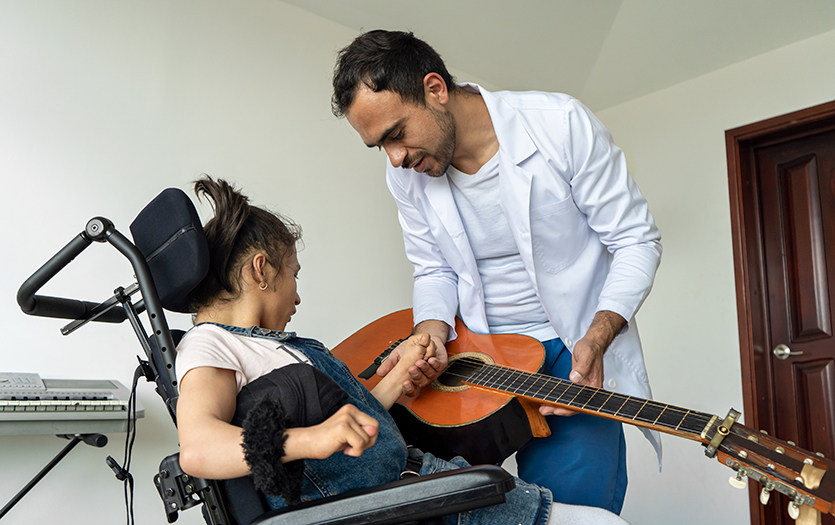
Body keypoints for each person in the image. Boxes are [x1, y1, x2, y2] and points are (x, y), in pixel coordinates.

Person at [331, 30, 663, 514]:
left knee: (570, 513)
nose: (395, 158)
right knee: (445, 507)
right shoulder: (405, 173)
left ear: (435, 90)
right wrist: (429, 333)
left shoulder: (559, 123)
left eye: (396, 134)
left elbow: (636, 240)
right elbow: (433, 268)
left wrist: (596, 338)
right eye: (379, 147)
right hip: (477, 359)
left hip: (571, 359)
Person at [174, 176, 630, 525]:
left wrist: (399, 375)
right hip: (411, 502)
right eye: (293, 273)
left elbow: (356, 425)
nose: (296, 297)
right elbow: (197, 448)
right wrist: (314, 438)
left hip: (422, 485)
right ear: (261, 270)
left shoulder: (275, 348)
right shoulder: (209, 341)